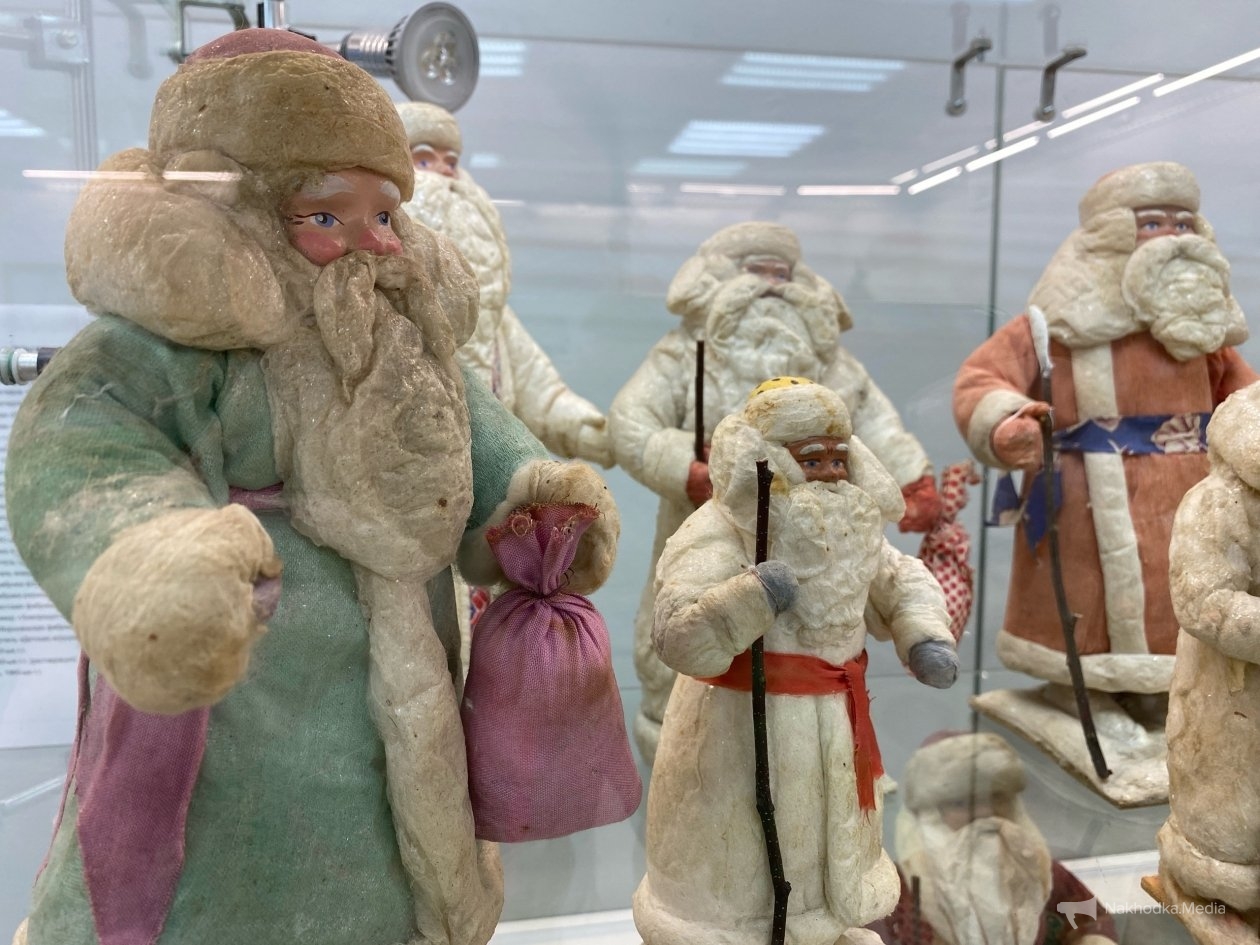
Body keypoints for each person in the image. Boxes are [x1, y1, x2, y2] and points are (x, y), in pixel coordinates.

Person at [6, 29, 618, 945]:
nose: (370, 244)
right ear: (240, 213)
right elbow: (82, 453)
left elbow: (475, 437)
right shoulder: (170, 352)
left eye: (385, 216)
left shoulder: (407, 344)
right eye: (327, 216)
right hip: (243, 677)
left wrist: (532, 506)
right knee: (220, 863)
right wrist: (156, 557)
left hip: (399, 673)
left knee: (383, 851)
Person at [953, 162, 1256, 784]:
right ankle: (1081, 688)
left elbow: (1243, 398)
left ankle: (1157, 689)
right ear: (1110, 233)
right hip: (1083, 492)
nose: (1173, 238)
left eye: (1184, 223)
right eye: (1154, 223)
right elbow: (982, 380)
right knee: (1085, 597)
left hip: (1189, 488)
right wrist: (1008, 422)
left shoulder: (1199, 326)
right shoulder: (1055, 322)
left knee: (1178, 586)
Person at [633, 378, 957, 945]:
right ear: (770, 459)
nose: (831, 472)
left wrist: (922, 631)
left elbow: (897, 577)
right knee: (745, 851)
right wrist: (750, 599)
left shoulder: (855, 527)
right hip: (737, 727)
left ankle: (820, 928)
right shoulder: (719, 529)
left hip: (837, 720)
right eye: (812, 459)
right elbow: (678, 632)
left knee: (824, 839)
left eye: (839, 457)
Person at [609, 222, 941, 763]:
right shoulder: (685, 352)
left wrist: (912, 476)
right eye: (755, 271)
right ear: (720, 278)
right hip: (711, 520)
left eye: (781, 273)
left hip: (820, 524)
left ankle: (823, 755)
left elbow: (873, 422)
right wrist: (688, 468)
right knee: (693, 617)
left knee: (817, 635)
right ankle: (685, 751)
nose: (770, 284)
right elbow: (632, 420)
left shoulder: (830, 361)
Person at [395, 101, 611, 467]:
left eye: (452, 163)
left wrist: (605, 436)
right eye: (425, 161)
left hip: (489, 483)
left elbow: (542, 395)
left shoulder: (494, 317)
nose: (445, 174)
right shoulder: (382, 314)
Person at [1158, 380, 1260, 943]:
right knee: (1229, 800)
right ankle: (1210, 885)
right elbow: (1205, 600)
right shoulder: (1218, 502)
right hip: (1233, 692)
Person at [872, 731, 1117, 945]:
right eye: (960, 803)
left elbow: (1090, 920)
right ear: (932, 815)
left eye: (994, 798)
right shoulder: (897, 888)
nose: (982, 812)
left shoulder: (1038, 869)